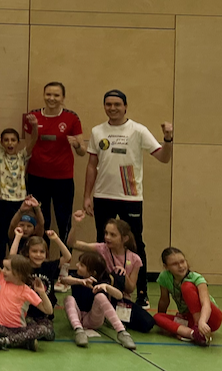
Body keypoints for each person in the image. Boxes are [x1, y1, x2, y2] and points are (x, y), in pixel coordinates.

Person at [83, 90, 174, 308]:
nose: (112, 108)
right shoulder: (97, 131)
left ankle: (141, 292)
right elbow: (91, 165)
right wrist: (87, 195)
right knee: (103, 243)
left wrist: (168, 138)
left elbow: (163, 158)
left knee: (135, 245)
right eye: (108, 104)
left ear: (125, 107)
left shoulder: (138, 130)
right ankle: (101, 288)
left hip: (130, 197)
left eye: (117, 104)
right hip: (103, 195)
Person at [24, 82, 85, 238]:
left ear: (63, 97)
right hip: (37, 177)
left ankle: (65, 259)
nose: (52, 98)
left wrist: (77, 145)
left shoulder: (71, 117)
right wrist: (35, 128)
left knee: (63, 220)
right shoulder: (33, 116)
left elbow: (82, 151)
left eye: (56, 95)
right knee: (40, 220)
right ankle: (39, 258)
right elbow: (26, 149)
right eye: (48, 94)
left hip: (62, 179)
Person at [0, 225, 53, 351]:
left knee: (42, 329)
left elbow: (48, 310)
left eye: (7, 269)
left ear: (19, 273)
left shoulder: (27, 291)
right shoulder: (2, 279)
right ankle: (23, 341)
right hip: (0, 326)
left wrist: (42, 293)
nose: (3, 271)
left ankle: (7, 341)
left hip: (19, 327)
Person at [0, 109, 40, 249]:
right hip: (1, 202)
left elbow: (33, 139)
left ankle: (17, 266)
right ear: (2, 142)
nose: (10, 143)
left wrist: (34, 126)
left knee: (18, 237)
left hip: (18, 204)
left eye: (13, 140)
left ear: (17, 142)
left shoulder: (22, 155)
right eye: (6, 140)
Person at [60, 250, 134, 349]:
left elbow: (119, 296)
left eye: (81, 265)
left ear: (92, 272)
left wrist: (107, 287)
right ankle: (79, 331)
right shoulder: (77, 276)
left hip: (93, 319)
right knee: (69, 298)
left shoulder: (103, 280)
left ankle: (121, 332)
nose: (77, 265)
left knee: (101, 297)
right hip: (77, 316)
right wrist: (81, 281)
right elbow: (64, 280)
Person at [154, 247, 220, 346]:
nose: (181, 266)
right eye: (175, 264)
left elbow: (206, 304)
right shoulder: (164, 277)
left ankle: (198, 329)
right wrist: (163, 323)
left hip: (208, 317)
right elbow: (164, 300)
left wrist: (202, 321)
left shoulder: (196, 278)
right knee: (157, 317)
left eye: (182, 261)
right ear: (166, 267)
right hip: (189, 319)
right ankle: (192, 334)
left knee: (187, 286)